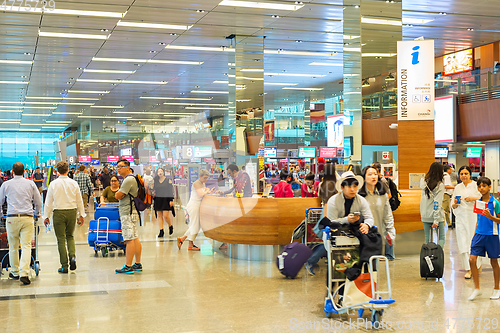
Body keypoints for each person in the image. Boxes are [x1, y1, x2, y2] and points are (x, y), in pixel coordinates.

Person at [305, 171, 374, 276]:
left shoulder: (361, 200)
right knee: (331, 247)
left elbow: (369, 217)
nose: (352, 189)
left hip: (352, 233)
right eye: (349, 186)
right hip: (335, 231)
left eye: (355, 186)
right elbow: (331, 221)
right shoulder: (334, 200)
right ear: (342, 187)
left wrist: (367, 225)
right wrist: (347, 220)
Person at [0, 162, 42, 285]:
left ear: (12, 172)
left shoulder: (6, 184)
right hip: (27, 218)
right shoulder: (30, 183)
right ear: (24, 172)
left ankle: (15, 271)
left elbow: (0, 201)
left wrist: (1, 214)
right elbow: (38, 201)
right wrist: (36, 212)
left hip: (11, 218)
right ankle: (24, 273)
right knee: (26, 246)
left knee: (13, 246)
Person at [42, 161, 86, 274]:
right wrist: (82, 214)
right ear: (68, 170)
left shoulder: (53, 184)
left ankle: (64, 266)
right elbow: (79, 200)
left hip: (58, 213)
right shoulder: (74, 183)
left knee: (61, 239)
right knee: (70, 236)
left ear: (57, 171)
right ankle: (72, 256)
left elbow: (48, 202)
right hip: (72, 211)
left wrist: (46, 216)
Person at [468, 177, 500, 301]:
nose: (481, 188)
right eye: (479, 186)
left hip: (492, 235)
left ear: (489, 187)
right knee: (472, 260)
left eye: (484, 186)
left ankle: (497, 289)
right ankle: (477, 288)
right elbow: (478, 220)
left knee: (494, 262)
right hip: (479, 235)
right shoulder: (478, 202)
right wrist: (475, 233)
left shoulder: (495, 203)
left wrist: (490, 217)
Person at [358, 165, 396, 260]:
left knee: (375, 266)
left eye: (375, 174)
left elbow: (388, 215)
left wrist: (391, 232)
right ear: (364, 177)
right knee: (364, 265)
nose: (373, 176)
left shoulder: (383, 195)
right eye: (370, 174)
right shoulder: (359, 196)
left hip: (378, 236)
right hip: (363, 235)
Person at [452, 166, 481, 279]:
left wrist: (473, 198)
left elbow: (482, 198)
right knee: (463, 243)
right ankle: (469, 269)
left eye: (466, 173)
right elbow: (453, 203)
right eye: (462, 174)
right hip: (460, 217)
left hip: (473, 217)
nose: (464, 176)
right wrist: (454, 204)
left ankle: (477, 266)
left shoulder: (475, 185)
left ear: (470, 174)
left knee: (473, 242)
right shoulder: (458, 187)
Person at [114, 159, 142, 274]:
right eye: (117, 167)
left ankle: (128, 265)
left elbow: (118, 195)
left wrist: (118, 193)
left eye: (120, 166)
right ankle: (137, 263)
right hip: (132, 211)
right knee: (134, 237)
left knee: (129, 239)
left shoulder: (128, 179)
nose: (118, 169)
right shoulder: (131, 178)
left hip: (127, 212)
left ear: (127, 167)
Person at [178, 169, 215, 250]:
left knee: (196, 226)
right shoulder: (196, 183)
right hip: (193, 206)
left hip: (198, 206)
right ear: (200, 176)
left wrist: (209, 191)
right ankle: (187, 242)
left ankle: (185, 241)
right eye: (204, 178)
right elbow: (201, 194)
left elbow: (203, 193)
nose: (206, 180)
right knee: (195, 225)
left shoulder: (202, 183)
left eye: (207, 178)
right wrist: (207, 191)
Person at [420, 162, 445, 248]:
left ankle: (427, 258)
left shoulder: (423, 182)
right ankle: (437, 256)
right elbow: (437, 203)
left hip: (425, 215)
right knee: (441, 238)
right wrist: (436, 219)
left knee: (427, 239)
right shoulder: (440, 185)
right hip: (436, 216)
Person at [153, 167, 175, 237]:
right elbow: (153, 189)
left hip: (166, 200)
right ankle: (161, 230)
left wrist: (171, 200)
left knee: (165, 216)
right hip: (158, 200)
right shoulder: (155, 181)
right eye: (159, 171)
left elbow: (170, 190)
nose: (160, 172)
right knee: (159, 215)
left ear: (163, 172)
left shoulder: (168, 180)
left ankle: (170, 226)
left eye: (161, 171)